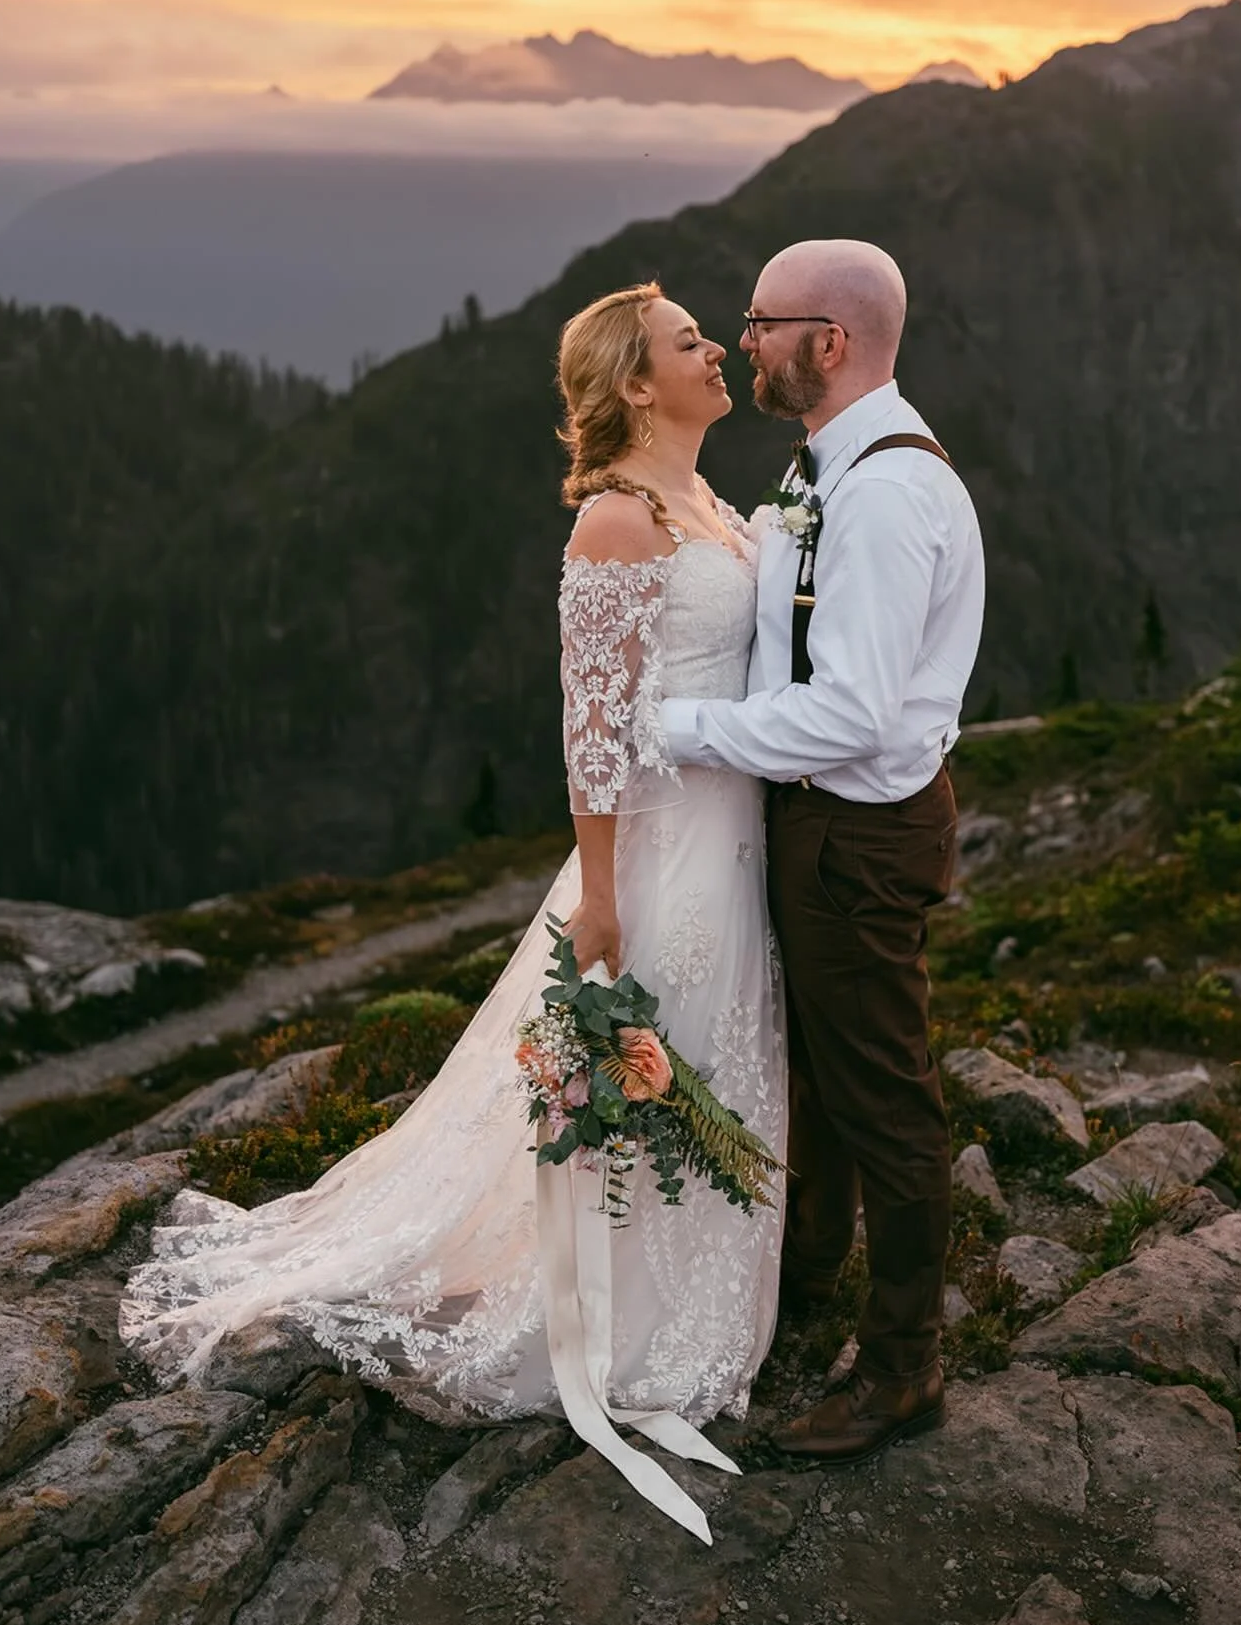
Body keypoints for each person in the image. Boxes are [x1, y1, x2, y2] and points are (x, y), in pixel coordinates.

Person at [119, 282, 787, 1544]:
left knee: (713, 1061)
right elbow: (593, 733)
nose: (717, 354)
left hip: (738, 840)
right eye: (691, 343)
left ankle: (685, 1294)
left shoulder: (711, 506)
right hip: (661, 859)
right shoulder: (615, 526)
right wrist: (600, 899)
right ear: (638, 387)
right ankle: (606, 1314)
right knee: (655, 1068)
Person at [660, 238, 986, 1464]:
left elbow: (849, 712)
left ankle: (903, 1367)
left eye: (760, 322)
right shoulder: (824, 466)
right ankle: (802, 1290)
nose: (742, 340)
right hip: (816, 822)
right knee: (825, 1085)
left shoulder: (888, 494)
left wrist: (672, 730)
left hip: (855, 831)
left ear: (829, 343)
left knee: (884, 1098)